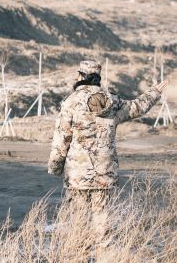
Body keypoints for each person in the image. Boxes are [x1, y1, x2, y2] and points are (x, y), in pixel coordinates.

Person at [48, 60, 167, 246]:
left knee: (78, 219)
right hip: (105, 172)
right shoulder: (113, 102)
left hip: (78, 174)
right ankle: (105, 253)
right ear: (97, 78)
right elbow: (139, 107)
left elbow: (62, 138)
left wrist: (55, 167)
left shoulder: (70, 102)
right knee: (102, 219)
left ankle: (78, 254)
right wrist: (155, 92)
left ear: (80, 76)